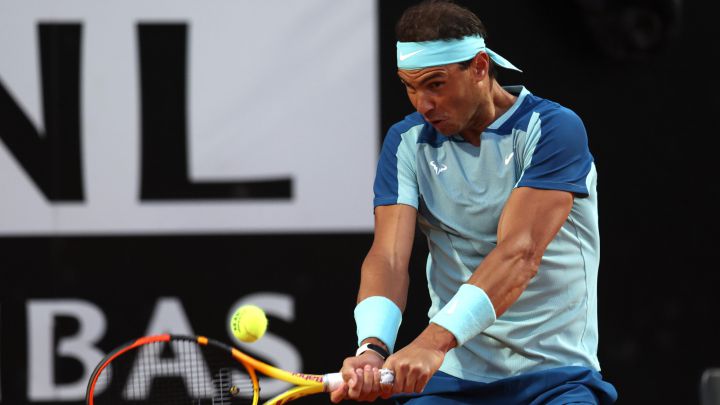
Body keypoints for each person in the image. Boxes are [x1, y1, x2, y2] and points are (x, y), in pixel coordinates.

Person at [330, 0, 618, 404]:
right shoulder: (407, 141)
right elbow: (389, 258)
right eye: (410, 87)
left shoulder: (552, 129)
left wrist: (433, 342)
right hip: (455, 379)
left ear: (480, 67)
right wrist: (372, 349)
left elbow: (520, 254)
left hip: (556, 376)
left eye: (435, 84)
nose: (422, 104)